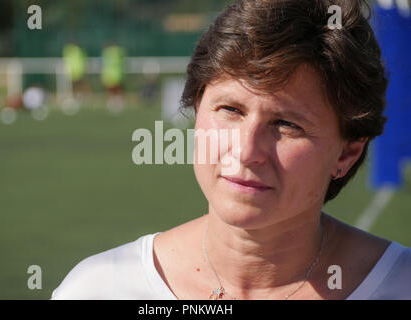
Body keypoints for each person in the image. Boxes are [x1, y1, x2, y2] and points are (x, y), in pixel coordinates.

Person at [51, 0, 411, 300]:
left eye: (287, 124)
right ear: (197, 109)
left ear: (346, 154)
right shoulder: (101, 289)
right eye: (231, 110)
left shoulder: (399, 286)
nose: (246, 149)